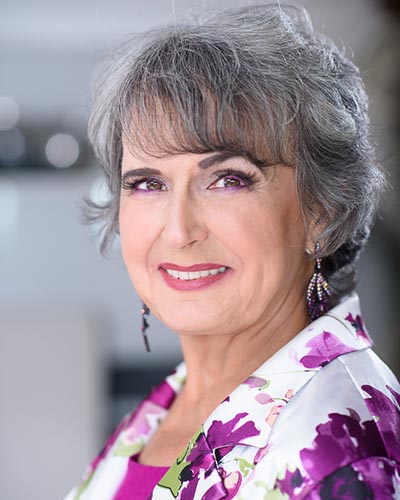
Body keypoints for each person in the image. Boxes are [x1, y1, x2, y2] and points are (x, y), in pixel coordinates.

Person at [64, 3, 400, 499]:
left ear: (322, 212)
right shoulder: (170, 403)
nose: (178, 231)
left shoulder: (340, 453)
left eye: (227, 180)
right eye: (148, 183)